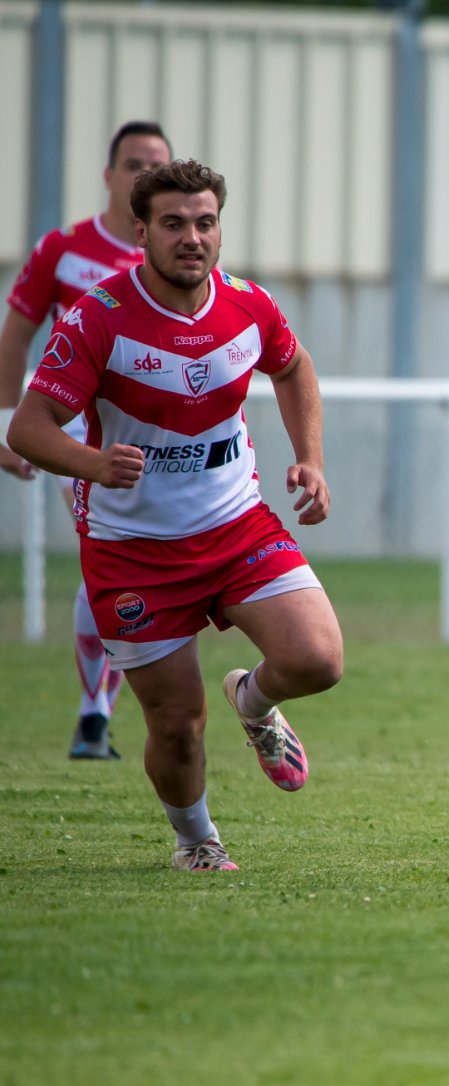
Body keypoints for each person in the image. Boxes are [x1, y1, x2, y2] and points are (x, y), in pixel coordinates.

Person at [6, 159, 343, 874]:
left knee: (318, 658)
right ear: (142, 232)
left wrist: (309, 458)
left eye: (205, 222)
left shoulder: (248, 305)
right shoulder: (99, 318)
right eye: (174, 224)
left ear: (220, 229)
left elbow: (293, 367)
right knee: (178, 727)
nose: (192, 237)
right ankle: (197, 840)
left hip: (236, 526)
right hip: (134, 550)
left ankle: (252, 701)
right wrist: (94, 464)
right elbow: (28, 428)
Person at [3, 121, 174, 759]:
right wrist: (7, 429)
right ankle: (94, 712)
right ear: (108, 175)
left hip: (157, 444)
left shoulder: (168, 252)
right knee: (102, 560)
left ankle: (106, 708)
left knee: (142, 567)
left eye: (155, 163)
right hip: (82, 442)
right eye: (132, 163)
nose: (142, 173)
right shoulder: (64, 250)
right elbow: (15, 338)